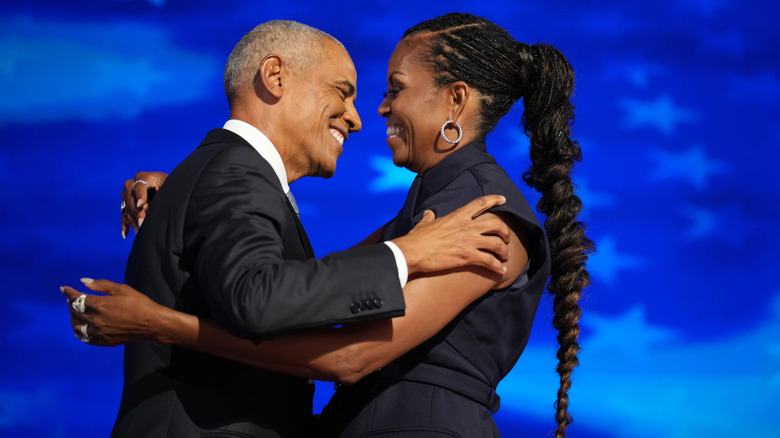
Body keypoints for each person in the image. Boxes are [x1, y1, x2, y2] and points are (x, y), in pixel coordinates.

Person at [65, 13, 594, 438]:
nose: (374, 111)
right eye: (350, 92)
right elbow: (308, 286)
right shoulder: (428, 215)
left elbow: (352, 354)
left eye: (395, 88)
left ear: (455, 99)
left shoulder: (482, 215)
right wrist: (187, 194)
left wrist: (163, 322)